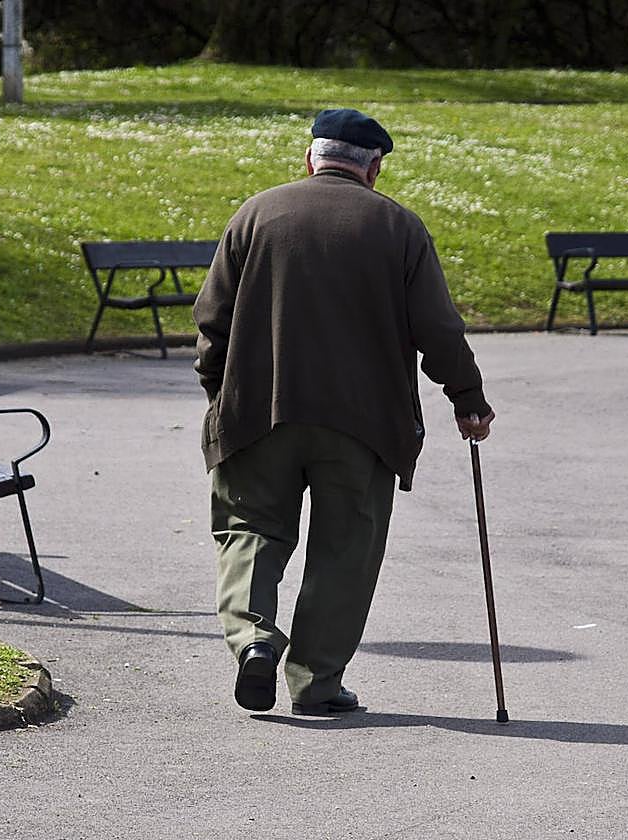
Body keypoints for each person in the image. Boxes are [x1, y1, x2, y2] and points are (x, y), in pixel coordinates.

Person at [192, 108, 495, 716]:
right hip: (363, 424)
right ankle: (316, 683)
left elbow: (211, 320)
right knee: (345, 551)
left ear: (310, 158)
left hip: (258, 414)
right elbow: (437, 329)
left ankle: (253, 641)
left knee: (249, 530)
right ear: (374, 168)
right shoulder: (398, 227)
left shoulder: (256, 214)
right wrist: (467, 398)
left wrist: (221, 393)